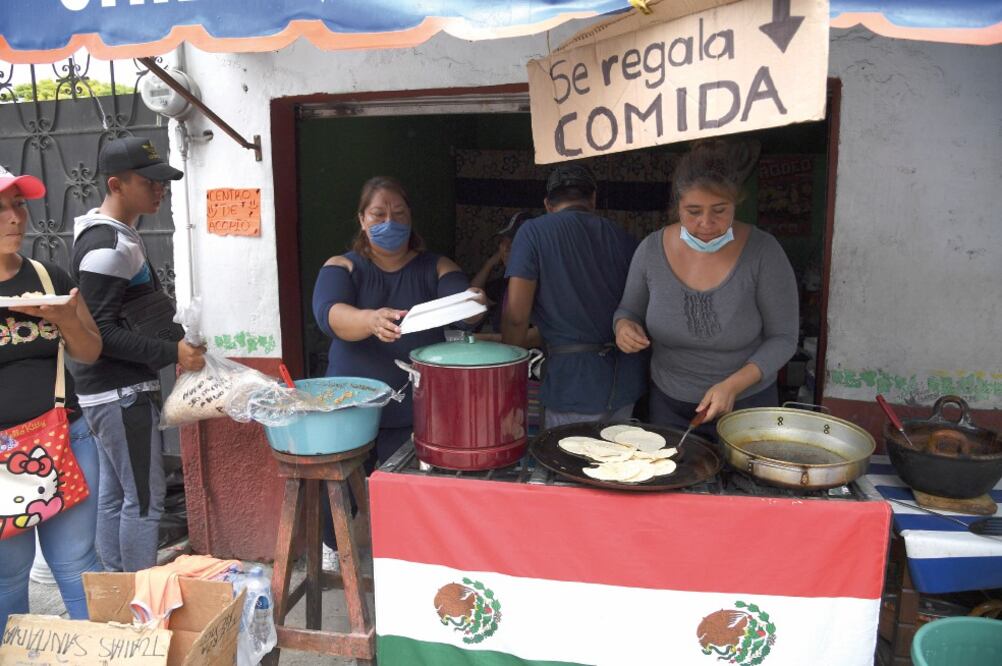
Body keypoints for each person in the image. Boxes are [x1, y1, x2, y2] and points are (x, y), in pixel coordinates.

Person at [312, 176, 484, 571]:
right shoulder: (343, 267)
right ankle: (332, 552)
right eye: (379, 213)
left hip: (414, 409)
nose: (389, 221)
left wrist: (473, 303)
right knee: (339, 490)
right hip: (351, 405)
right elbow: (330, 314)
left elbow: (465, 305)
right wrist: (370, 320)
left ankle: (404, 565)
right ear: (362, 219)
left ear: (411, 218)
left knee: (405, 495)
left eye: (399, 213)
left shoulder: (436, 267)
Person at [70, 136, 206, 572]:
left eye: (161, 180)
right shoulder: (109, 247)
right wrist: (174, 350)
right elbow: (101, 333)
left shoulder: (114, 236)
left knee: (116, 496)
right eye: (148, 181)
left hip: (108, 392)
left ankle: (115, 594)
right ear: (116, 184)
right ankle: (140, 604)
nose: (158, 188)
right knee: (144, 501)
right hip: (119, 392)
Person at [614, 140, 798, 440]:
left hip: (746, 408)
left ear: (736, 203)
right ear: (677, 207)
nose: (706, 223)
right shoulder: (650, 250)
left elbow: (784, 338)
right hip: (668, 405)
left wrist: (733, 385)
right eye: (693, 211)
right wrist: (623, 327)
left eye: (719, 210)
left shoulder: (764, 252)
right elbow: (628, 310)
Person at [0, 167, 103, 632]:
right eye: (0, 209)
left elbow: (90, 350)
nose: (15, 218)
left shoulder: (47, 275)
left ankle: (101, 656)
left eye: (18, 205)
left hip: (65, 438)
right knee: (7, 575)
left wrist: (62, 318)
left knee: (78, 563)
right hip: (3, 459)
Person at [502, 163, 647, 429]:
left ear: (548, 204)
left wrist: (508, 378)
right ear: (592, 199)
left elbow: (515, 317)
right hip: (625, 382)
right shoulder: (624, 238)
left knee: (570, 465)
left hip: (573, 385)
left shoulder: (533, 233)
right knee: (617, 466)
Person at [470, 211, 540, 346]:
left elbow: (537, 336)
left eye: (514, 242)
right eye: (503, 242)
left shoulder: (542, 285)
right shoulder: (505, 284)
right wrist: (490, 263)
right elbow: (471, 299)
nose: (507, 248)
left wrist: (485, 339)